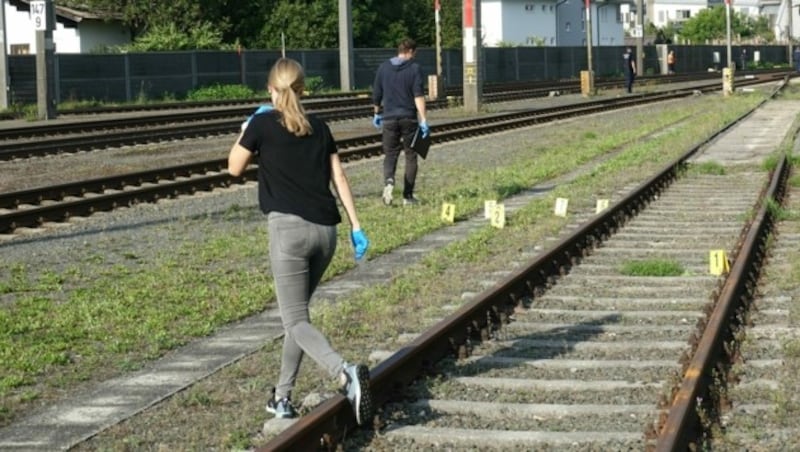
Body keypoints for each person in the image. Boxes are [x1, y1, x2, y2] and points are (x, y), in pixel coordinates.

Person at [227, 58, 374, 427]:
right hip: (326, 233)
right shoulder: (320, 126)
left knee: (294, 320)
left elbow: (233, 167)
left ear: (270, 90)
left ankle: (345, 373)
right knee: (298, 320)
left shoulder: (261, 123)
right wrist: (356, 225)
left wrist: (245, 129)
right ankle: (281, 397)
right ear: (304, 89)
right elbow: (338, 177)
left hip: (288, 232)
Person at [372, 37, 430, 206]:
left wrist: (377, 112)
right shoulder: (414, 68)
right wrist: (424, 119)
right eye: (414, 54)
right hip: (408, 118)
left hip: (389, 118)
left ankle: (389, 182)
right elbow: (418, 95)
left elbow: (377, 93)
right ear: (410, 51)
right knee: (411, 156)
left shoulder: (383, 68)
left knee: (390, 154)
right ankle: (408, 196)